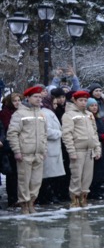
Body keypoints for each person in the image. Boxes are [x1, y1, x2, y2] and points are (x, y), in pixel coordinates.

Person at [7, 86, 48, 214]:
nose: (38, 99)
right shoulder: (19, 113)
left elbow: (44, 134)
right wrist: (17, 151)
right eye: (35, 97)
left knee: (36, 181)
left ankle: (32, 202)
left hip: (38, 153)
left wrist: (44, 148)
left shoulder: (41, 113)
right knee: (24, 181)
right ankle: (24, 204)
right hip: (25, 152)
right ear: (28, 98)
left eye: (40, 97)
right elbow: (12, 133)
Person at [62, 90, 101, 208]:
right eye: (81, 100)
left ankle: (84, 196)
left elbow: (94, 133)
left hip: (89, 150)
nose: (84, 103)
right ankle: (74, 198)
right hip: (78, 149)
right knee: (76, 176)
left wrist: (97, 148)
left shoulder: (89, 114)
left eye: (85, 100)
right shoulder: (69, 115)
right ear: (74, 100)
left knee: (87, 176)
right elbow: (67, 134)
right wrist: (71, 151)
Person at [0, 93, 22, 209]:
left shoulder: (20, 112)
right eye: (15, 101)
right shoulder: (5, 113)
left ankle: (18, 198)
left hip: (20, 145)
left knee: (19, 174)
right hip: (9, 147)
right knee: (12, 175)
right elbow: (7, 129)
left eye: (19, 100)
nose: (18, 103)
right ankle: (12, 199)